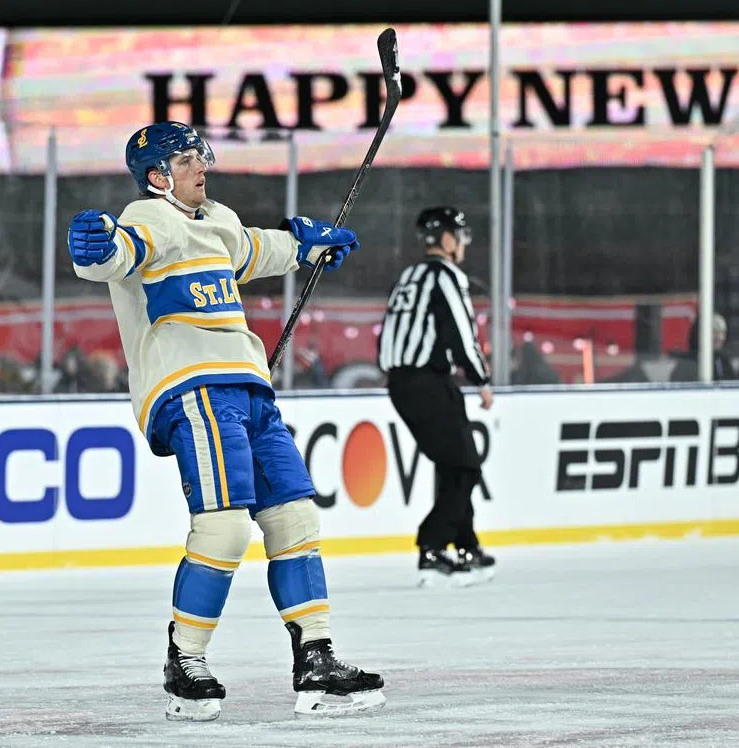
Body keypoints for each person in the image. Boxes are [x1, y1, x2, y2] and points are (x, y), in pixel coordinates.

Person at [66, 121, 383, 722]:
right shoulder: (150, 218)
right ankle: (185, 662)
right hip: (194, 389)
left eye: (199, 155)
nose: (201, 166)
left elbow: (256, 249)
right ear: (158, 177)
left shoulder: (217, 221)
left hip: (249, 388)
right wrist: (97, 248)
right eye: (186, 160)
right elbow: (120, 253)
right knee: (226, 529)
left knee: (295, 517)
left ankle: (315, 657)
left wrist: (307, 244)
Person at [376, 206, 496, 588]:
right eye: (458, 235)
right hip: (427, 382)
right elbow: (461, 332)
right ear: (446, 238)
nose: (461, 243)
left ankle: (466, 545)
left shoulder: (409, 276)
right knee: (464, 467)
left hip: (405, 382)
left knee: (453, 464)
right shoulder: (446, 276)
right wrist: (482, 378)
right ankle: (432, 546)